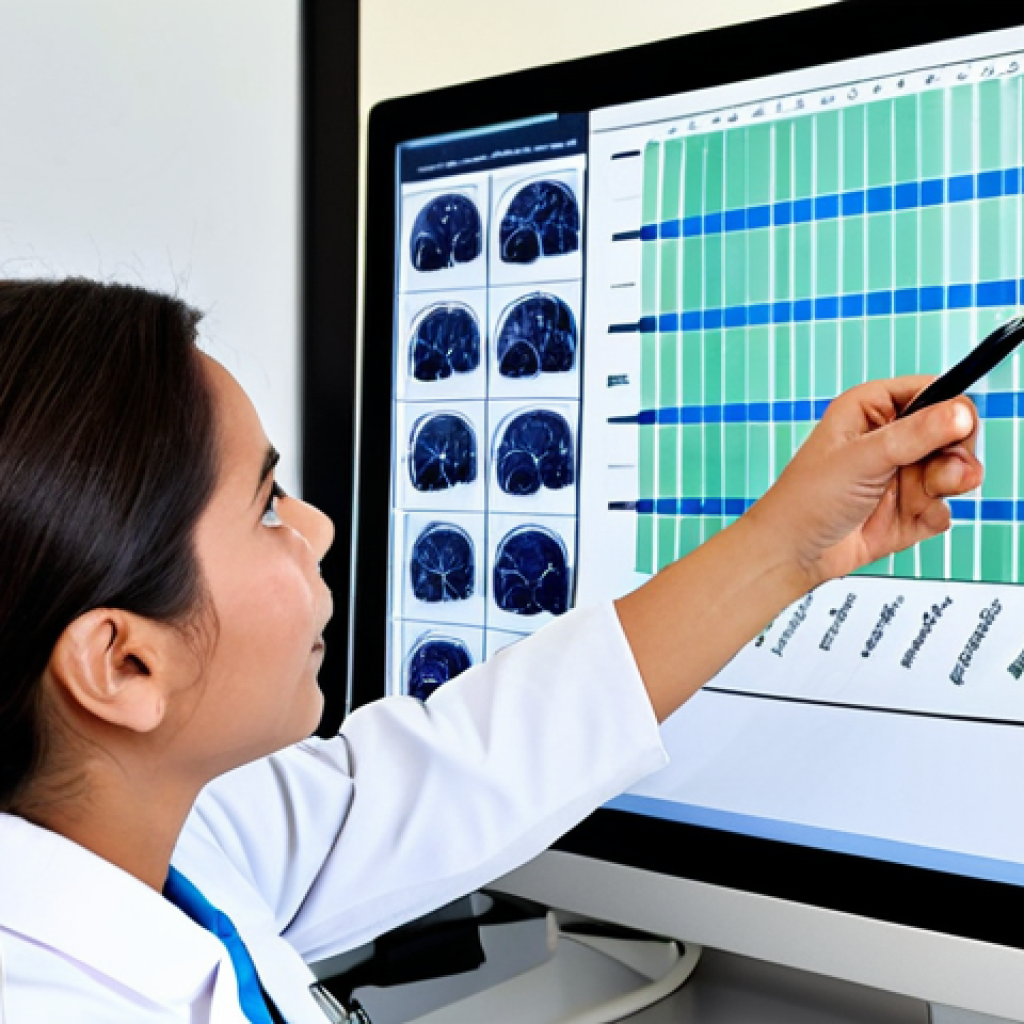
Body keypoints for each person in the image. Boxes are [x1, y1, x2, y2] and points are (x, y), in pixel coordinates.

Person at [0, 278, 982, 1023]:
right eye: (265, 509)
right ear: (124, 664)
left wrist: (788, 545)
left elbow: (466, 765)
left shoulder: (163, 837)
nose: (318, 526)